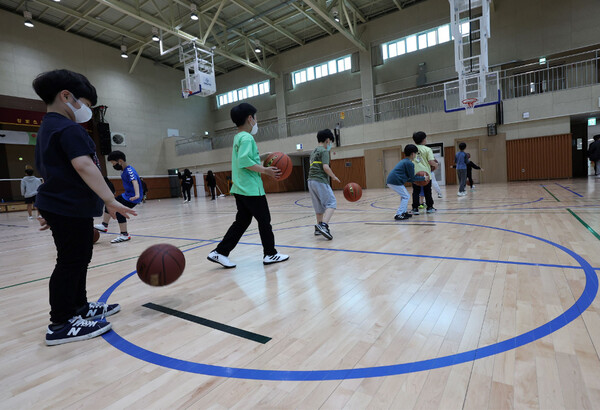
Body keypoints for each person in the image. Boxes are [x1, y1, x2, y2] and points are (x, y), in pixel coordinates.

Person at [32, 69, 136, 345]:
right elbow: (83, 165)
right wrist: (110, 199)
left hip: (66, 206)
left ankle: (79, 307)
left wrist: (47, 207)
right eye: (86, 105)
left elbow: (51, 172)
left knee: (79, 258)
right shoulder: (67, 128)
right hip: (67, 206)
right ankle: (60, 323)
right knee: (70, 261)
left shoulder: (47, 129)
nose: (87, 112)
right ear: (66, 97)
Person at [207, 103, 289, 268]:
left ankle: (220, 252)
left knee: (242, 222)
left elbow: (245, 159)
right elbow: (244, 161)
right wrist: (266, 170)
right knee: (264, 220)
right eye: (255, 117)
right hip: (251, 189)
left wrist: (262, 157)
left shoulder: (238, 137)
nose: (256, 121)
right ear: (250, 118)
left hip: (240, 188)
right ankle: (270, 254)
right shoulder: (247, 137)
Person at [93, 150, 141, 243]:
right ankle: (104, 225)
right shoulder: (123, 170)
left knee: (120, 212)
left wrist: (137, 194)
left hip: (132, 198)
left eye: (113, 163)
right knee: (111, 202)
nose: (113, 165)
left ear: (120, 161)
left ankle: (124, 235)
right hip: (126, 195)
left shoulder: (129, 170)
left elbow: (135, 181)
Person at [307, 129, 340, 240]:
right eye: (330, 142)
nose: (330, 144)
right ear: (327, 140)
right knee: (332, 203)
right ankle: (324, 226)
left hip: (310, 181)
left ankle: (318, 228)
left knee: (318, 207)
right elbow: (325, 167)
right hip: (320, 180)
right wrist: (334, 176)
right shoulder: (324, 151)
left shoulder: (313, 151)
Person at [387, 144, 429, 220]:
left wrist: (419, 179)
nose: (415, 155)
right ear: (413, 154)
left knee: (404, 196)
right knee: (406, 196)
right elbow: (413, 178)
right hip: (395, 181)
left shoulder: (404, 161)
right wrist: (423, 178)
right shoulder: (409, 163)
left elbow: (409, 178)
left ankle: (403, 212)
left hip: (393, 181)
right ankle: (399, 214)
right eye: (416, 153)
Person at [411, 131, 437, 214]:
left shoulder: (412, 149)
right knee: (427, 191)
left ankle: (415, 208)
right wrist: (436, 165)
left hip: (415, 174)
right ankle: (429, 207)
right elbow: (431, 161)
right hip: (426, 175)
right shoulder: (427, 149)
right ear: (424, 139)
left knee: (415, 192)